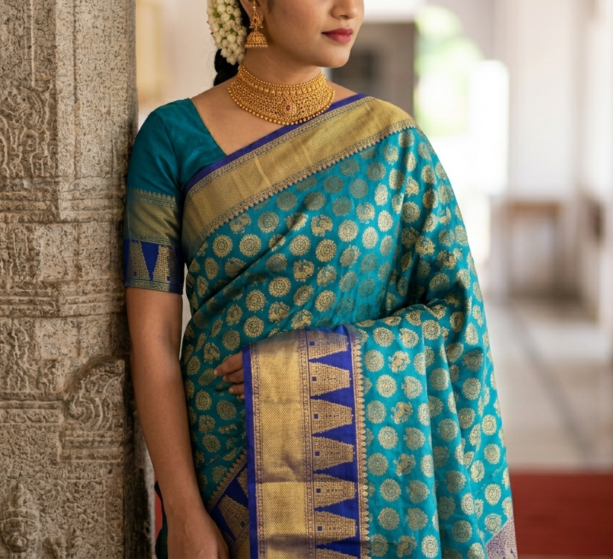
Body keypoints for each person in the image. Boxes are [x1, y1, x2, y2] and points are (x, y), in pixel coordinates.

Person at [125, 0, 517, 556]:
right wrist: (184, 510)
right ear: (253, 4)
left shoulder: (394, 144)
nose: (348, 8)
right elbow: (152, 338)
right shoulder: (170, 140)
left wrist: (322, 361)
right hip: (227, 477)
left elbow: (458, 322)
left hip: (368, 471)